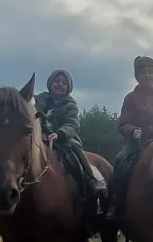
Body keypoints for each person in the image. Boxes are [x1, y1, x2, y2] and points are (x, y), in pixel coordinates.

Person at [107, 56, 153, 221]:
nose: (147, 75)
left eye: (150, 72)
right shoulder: (130, 98)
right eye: (143, 72)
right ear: (137, 76)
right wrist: (132, 131)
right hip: (137, 143)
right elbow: (123, 124)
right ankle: (117, 203)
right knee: (120, 160)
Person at [33, 69, 107, 209]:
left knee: (75, 149)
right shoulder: (40, 101)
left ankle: (91, 178)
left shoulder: (70, 104)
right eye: (57, 81)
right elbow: (33, 118)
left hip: (63, 139)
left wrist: (60, 134)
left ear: (68, 87)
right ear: (50, 83)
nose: (59, 84)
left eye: (64, 83)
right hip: (40, 137)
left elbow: (73, 123)